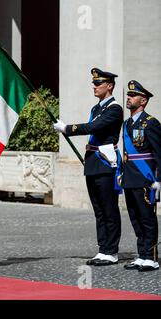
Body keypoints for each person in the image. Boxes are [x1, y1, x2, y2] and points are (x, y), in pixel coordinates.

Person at [54, 68, 123, 266]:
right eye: (94, 83)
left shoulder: (114, 109)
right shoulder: (96, 108)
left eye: (98, 83)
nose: (94, 86)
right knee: (99, 210)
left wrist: (67, 128)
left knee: (109, 208)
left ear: (109, 86)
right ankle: (103, 249)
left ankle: (112, 251)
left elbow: (95, 127)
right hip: (93, 161)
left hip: (105, 162)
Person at [121, 80, 160, 272]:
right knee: (135, 218)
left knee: (147, 218)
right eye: (128, 95)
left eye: (133, 96)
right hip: (129, 177)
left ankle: (151, 257)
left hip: (145, 178)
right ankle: (142, 254)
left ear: (143, 100)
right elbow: (126, 153)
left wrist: (159, 179)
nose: (128, 98)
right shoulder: (126, 123)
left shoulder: (151, 123)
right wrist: (120, 174)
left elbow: (159, 153)